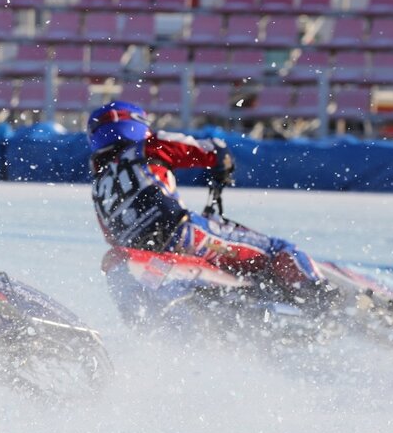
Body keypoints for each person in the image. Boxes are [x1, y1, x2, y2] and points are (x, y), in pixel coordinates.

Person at [86, 100, 334, 311]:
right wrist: (221, 167)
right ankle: (322, 298)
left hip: (142, 255)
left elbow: (111, 235)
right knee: (276, 250)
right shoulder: (148, 147)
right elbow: (213, 149)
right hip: (183, 233)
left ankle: (234, 301)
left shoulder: (98, 188)